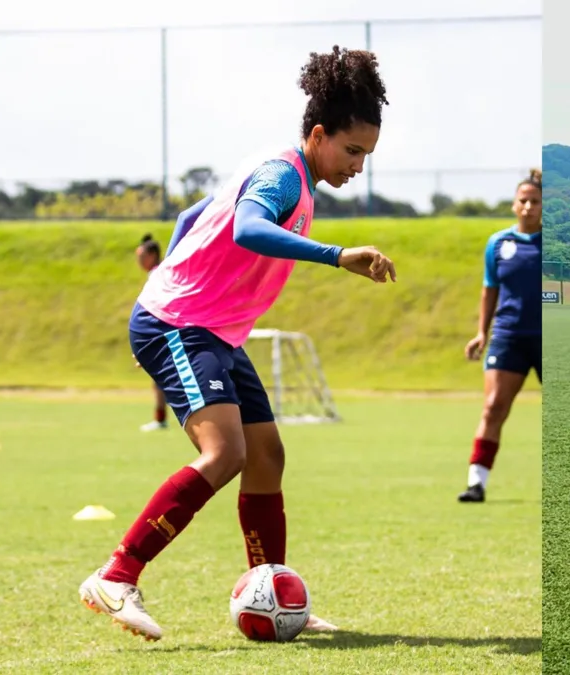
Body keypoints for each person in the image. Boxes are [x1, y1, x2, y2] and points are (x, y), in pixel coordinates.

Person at [78, 45, 396, 641]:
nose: (359, 165)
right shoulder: (282, 175)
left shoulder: (286, 174)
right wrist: (337, 256)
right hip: (178, 324)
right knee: (225, 455)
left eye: (367, 155)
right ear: (319, 134)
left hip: (214, 330)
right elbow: (248, 229)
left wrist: (183, 267)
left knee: (267, 455)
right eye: (352, 150)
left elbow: (193, 216)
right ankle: (116, 576)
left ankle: (268, 589)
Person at [458, 169, 542, 503]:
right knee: (493, 407)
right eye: (523, 200)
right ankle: (476, 482)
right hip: (509, 336)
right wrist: (481, 332)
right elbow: (489, 290)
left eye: (535, 201)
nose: (528, 206)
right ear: (513, 204)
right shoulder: (498, 244)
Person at [135, 234, 170, 432]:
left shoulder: (158, 275)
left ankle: (160, 419)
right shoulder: (160, 272)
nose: (139, 262)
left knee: (159, 380)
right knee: (159, 380)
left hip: (164, 332)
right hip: (163, 332)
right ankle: (160, 418)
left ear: (153, 255)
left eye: (142, 257)